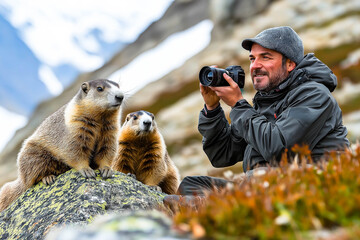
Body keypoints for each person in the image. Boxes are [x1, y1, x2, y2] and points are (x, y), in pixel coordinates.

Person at [164, 26, 350, 203]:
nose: (255, 66)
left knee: (252, 179)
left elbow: (279, 149)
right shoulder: (267, 101)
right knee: (193, 184)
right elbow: (222, 155)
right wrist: (212, 110)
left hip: (313, 183)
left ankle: (206, 213)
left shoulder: (314, 95)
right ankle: (207, 210)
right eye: (252, 58)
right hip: (267, 183)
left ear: (290, 64)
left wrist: (238, 104)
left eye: (265, 57)